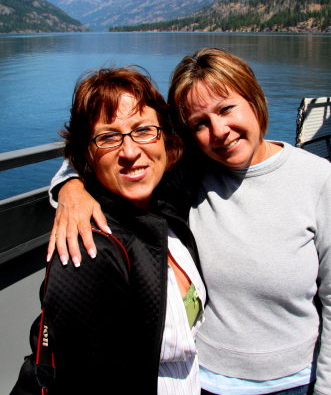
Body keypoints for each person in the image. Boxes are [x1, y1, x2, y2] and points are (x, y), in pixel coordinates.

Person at [46, 48, 331, 395]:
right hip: (204, 380)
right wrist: (70, 187)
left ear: (255, 100)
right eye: (200, 123)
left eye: (227, 109)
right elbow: (112, 151)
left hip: (293, 382)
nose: (220, 130)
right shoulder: (192, 174)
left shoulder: (318, 179)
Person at [10, 67, 206, 395]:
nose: (130, 152)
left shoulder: (164, 204)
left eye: (143, 130)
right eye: (108, 137)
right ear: (87, 153)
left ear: (164, 137)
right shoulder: (89, 250)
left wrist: (68, 184)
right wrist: (72, 184)